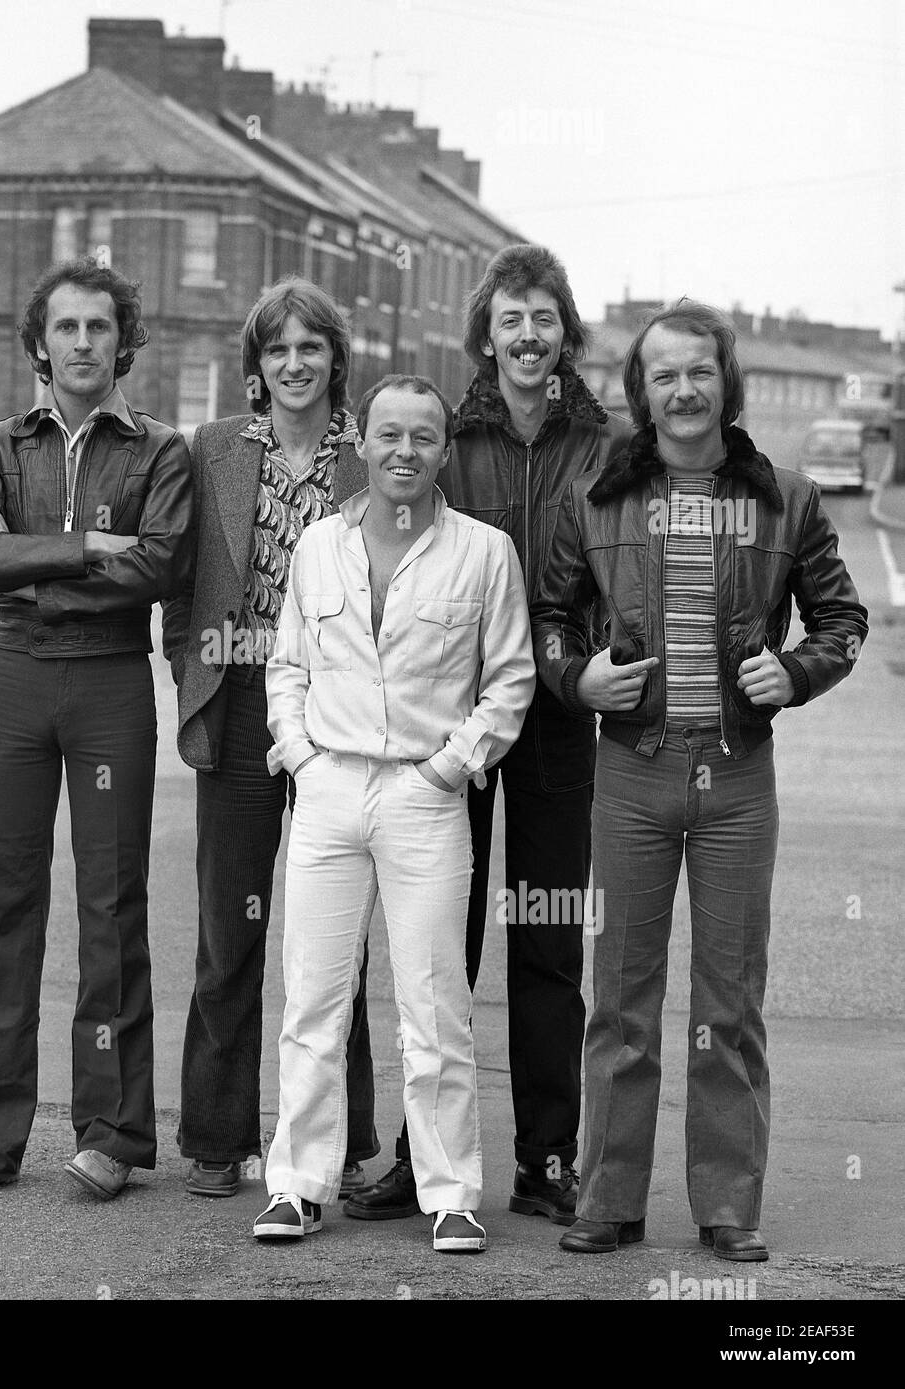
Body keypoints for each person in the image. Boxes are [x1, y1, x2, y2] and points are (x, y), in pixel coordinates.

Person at [532, 300, 868, 1259]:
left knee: (730, 998)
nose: (683, 390)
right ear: (640, 391)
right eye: (664, 374)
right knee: (622, 995)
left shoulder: (785, 500)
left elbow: (842, 621)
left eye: (699, 372)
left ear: (727, 382)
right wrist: (577, 674)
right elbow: (551, 617)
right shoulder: (594, 496)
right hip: (631, 774)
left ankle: (728, 1205)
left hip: (737, 779)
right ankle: (609, 1196)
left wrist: (798, 671)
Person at [347, 244, 629, 1226]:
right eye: (510, 319)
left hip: (559, 717)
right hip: (450, 725)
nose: (527, 335)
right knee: (438, 946)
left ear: (566, 332)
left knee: (548, 941)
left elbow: (619, 566)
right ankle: (423, 1160)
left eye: (543, 317)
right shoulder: (447, 436)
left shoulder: (603, 443)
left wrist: (594, 658)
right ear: (486, 335)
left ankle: (545, 1158)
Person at [253, 375, 536, 1253]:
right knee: (312, 998)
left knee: (434, 1001)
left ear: (444, 451)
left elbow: (511, 677)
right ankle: (298, 1184)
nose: (403, 451)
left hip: (425, 795)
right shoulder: (315, 547)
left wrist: (452, 767)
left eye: (422, 436)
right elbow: (287, 665)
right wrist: (299, 753)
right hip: (329, 791)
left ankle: (451, 1192)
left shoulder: (484, 552)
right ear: (361, 444)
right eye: (387, 435)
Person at [0, 255, 191, 1201]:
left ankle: (112, 1133)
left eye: (100, 327)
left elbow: (157, 565)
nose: (83, 343)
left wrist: (25, 561)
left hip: (113, 685)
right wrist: (84, 547)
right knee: (7, 900)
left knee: (113, 903)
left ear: (124, 341)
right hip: (14, 682)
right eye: (66, 328)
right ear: (38, 345)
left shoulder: (159, 450)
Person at [162, 277, 378, 1199]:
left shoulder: (368, 461)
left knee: (337, 940)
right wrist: (191, 668)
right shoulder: (211, 448)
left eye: (311, 347)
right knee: (229, 926)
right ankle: (217, 1137)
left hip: (338, 714)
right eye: (278, 349)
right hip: (243, 700)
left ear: (336, 359)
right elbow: (177, 576)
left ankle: (343, 1141)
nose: (295, 364)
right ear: (258, 366)